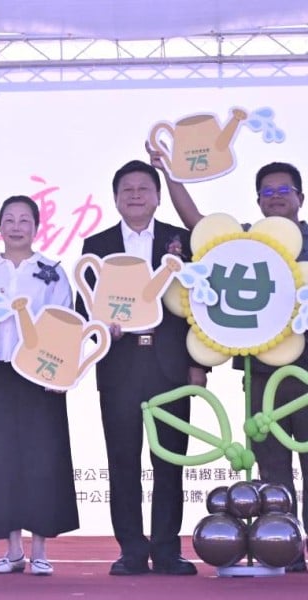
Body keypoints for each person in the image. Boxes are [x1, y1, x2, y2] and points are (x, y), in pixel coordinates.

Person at [147, 149, 308, 572]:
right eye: (267, 191)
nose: (276, 197)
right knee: (273, 472)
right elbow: (197, 226)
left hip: (305, 374)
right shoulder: (246, 241)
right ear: (258, 201)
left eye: (284, 190)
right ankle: (287, 553)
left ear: (300, 198)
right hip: (260, 378)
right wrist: (168, 172)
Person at [74, 160, 207, 576]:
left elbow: (199, 307)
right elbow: (84, 306)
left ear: (157, 195)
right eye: (126, 189)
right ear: (115, 198)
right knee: (123, 460)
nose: (135, 194)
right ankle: (131, 548)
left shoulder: (180, 241)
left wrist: (199, 364)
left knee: (170, 460)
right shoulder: (96, 244)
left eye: (142, 188)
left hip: (170, 365)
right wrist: (101, 330)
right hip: (119, 364)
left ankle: (168, 549)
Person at [0, 195, 79, 576]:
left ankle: (41, 549)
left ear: (37, 226)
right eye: (9, 219)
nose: (16, 226)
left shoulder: (52, 270)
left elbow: (65, 321)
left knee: (43, 459)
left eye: (24, 219)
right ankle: (13, 550)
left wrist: (60, 373)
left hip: (40, 374)